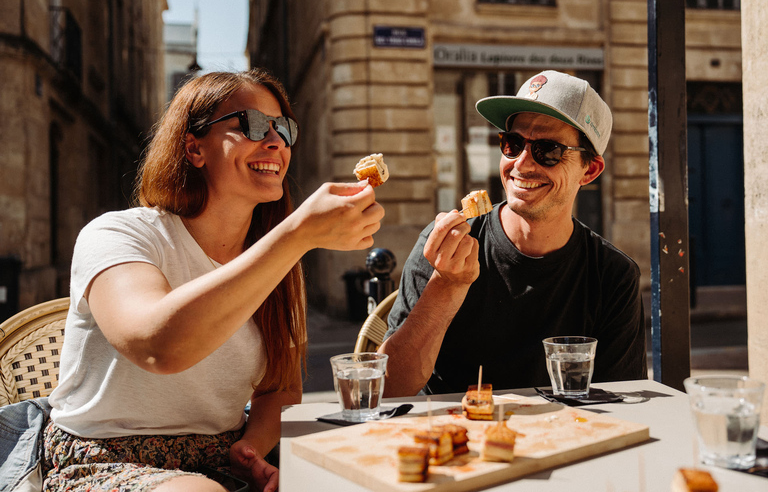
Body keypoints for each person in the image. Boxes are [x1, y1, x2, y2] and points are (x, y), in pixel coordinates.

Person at [43, 69, 384, 492]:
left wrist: (252, 449)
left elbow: (279, 389)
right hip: (106, 455)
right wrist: (296, 236)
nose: (275, 141)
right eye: (253, 125)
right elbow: (159, 348)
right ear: (194, 148)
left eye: (284, 128)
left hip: (221, 455)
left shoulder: (280, 262)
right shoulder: (118, 235)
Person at [379, 70, 646, 397]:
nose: (520, 164)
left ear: (589, 170)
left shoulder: (612, 276)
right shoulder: (451, 246)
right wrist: (446, 285)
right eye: (513, 143)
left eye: (547, 150)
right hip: (453, 437)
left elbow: (622, 403)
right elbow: (388, 389)